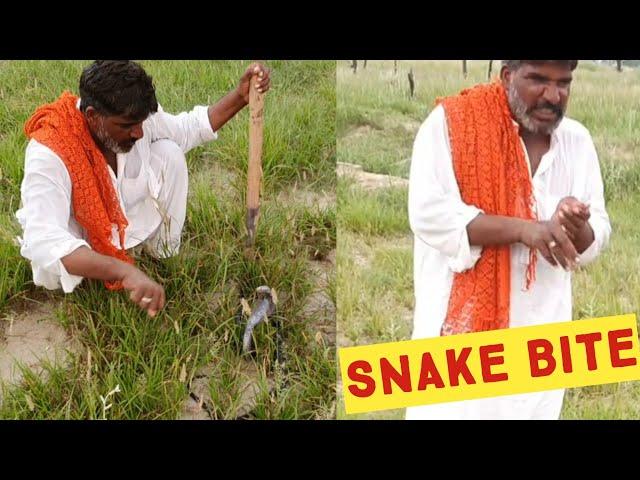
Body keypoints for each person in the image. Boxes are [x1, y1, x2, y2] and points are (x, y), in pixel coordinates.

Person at [406, 60, 611, 419]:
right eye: (537, 80)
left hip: (540, 338)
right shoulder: (450, 125)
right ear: (507, 76)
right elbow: (428, 213)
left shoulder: (577, 143)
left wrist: (577, 227)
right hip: (459, 341)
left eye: (564, 83)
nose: (552, 96)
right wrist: (525, 229)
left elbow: (596, 236)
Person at [16, 60, 270, 317]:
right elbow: (44, 239)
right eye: (127, 126)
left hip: (125, 226)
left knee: (169, 152)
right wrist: (123, 271)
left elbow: (187, 129)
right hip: (82, 247)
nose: (138, 133)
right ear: (92, 115)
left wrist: (241, 96)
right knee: (61, 248)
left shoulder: (135, 115)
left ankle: (163, 254)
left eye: (141, 123)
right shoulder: (49, 151)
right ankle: (105, 271)